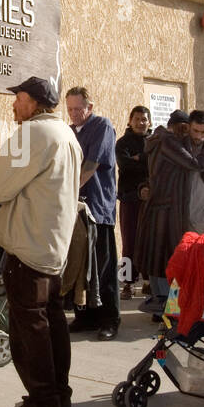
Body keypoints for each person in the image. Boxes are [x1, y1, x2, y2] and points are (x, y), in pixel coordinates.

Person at [0, 77, 82, 407]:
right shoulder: (67, 134)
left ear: (34, 102)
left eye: (18, 99)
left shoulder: (33, 135)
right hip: (53, 247)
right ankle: (59, 398)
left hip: (28, 247)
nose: (13, 105)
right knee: (52, 324)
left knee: (29, 333)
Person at [134, 109, 204, 315]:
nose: (194, 136)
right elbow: (196, 164)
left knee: (171, 260)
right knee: (170, 262)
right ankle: (169, 309)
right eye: (189, 130)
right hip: (168, 211)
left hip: (180, 213)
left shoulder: (163, 140)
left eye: (200, 132)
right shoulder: (169, 143)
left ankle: (186, 310)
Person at [64, 86, 120, 339]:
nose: (74, 114)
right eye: (70, 109)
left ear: (90, 108)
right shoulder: (70, 131)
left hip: (98, 208)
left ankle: (110, 320)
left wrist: (67, 190)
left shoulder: (102, 127)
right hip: (76, 211)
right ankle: (84, 317)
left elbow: (90, 166)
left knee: (104, 266)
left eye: (78, 109)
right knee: (80, 265)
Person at [115, 106, 152, 300]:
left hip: (151, 201)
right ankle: (127, 284)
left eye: (144, 119)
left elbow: (155, 164)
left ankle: (148, 281)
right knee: (128, 243)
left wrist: (141, 158)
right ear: (130, 121)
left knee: (148, 241)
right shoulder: (122, 143)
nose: (141, 123)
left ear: (150, 122)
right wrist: (144, 161)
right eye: (137, 119)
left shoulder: (154, 142)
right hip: (129, 198)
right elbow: (125, 165)